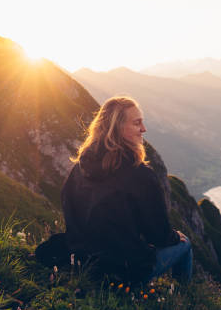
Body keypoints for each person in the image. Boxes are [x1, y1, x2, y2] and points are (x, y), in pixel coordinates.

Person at [61, 96, 192, 283]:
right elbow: (158, 234)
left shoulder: (80, 167)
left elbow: (69, 209)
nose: (144, 129)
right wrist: (173, 237)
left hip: (82, 258)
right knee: (185, 243)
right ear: (117, 128)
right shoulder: (141, 176)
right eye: (137, 123)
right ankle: (183, 299)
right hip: (124, 269)